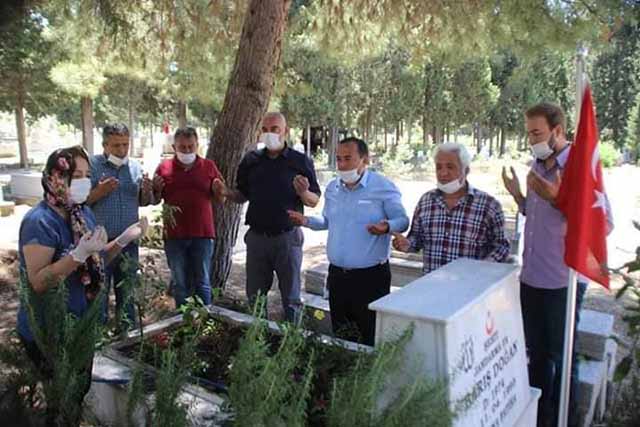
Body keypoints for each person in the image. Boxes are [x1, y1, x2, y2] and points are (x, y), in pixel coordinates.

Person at [16, 146, 146, 425]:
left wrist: (123, 240)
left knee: (77, 392)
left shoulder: (81, 213)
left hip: (81, 324)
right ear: (56, 177)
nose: (85, 182)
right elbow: (39, 281)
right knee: (60, 399)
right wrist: (77, 255)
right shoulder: (39, 221)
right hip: (48, 329)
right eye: (76, 176)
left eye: (88, 175)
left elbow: (96, 258)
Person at [501, 102, 613, 427]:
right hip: (531, 277)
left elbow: (603, 226)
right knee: (536, 354)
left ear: (558, 130)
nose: (531, 140)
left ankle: (567, 419)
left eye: (537, 133)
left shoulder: (580, 168)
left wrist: (558, 199)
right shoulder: (537, 165)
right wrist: (519, 197)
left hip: (563, 282)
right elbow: (538, 218)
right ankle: (541, 417)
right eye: (528, 133)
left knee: (563, 359)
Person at [288, 137, 409, 345]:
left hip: (370, 278)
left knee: (369, 336)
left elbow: (402, 220)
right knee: (342, 336)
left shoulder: (382, 187)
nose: (342, 165)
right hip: (337, 276)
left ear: (365, 159)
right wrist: (306, 221)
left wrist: (387, 226)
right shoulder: (333, 188)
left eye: (348, 158)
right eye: (338, 159)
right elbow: (327, 221)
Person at [215, 112, 321, 322]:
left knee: (291, 298)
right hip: (257, 239)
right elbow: (242, 195)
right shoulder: (251, 160)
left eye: (274, 129)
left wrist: (303, 193)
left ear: (285, 131)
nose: (269, 134)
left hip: (287, 239)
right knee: (255, 298)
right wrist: (226, 192)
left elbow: (314, 200)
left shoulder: (300, 161)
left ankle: (292, 338)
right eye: (264, 130)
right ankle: (257, 337)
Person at [392, 142, 510, 273]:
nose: (443, 173)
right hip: (431, 282)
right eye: (439, 167)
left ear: (466, 170)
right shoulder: (426, 201)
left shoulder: (488, 206)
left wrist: (482, 269)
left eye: (450, 167)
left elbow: (502, 247)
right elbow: (416, 239)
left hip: (470, 283)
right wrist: (406, 244)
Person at [87, 123, 154, 329]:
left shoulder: (134, 166)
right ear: (105, 145)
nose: (122, 150)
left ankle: (127, 336)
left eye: (125, 144)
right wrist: (99, 192)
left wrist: (147, 191)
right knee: (99, 294)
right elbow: (80, 203)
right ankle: (98, 337)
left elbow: (142, 201)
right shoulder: (92, 166)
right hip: (100, 244)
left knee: (127, 295)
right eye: (116, 145)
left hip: (128, 244)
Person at [153, 126, 224, 309]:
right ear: (174, 147)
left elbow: (221, 198)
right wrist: (156, 189)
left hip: (203, 234)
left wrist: (219, 191)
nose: (186, 151)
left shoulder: (208, 166)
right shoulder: (164, 168)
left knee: (203, 281)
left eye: (190, 146)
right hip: (174, 235)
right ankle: (182, 321)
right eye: (182, 147)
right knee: (179, 282)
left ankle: (205, 318)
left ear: (197, 145)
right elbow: (154, 199)